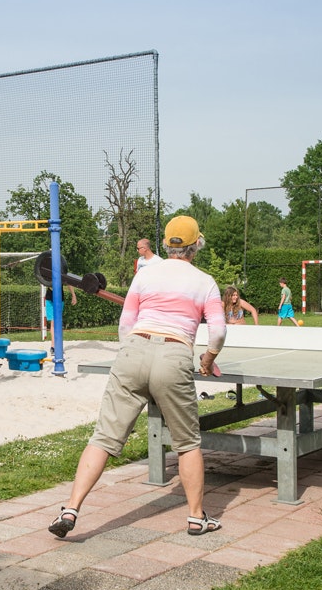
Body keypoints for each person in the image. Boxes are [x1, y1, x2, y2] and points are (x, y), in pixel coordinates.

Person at [48, 215, 227, 539]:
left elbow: (125, 324)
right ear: (195, 246)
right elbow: (217, 332)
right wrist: (208, 358)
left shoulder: (145, 275)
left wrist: (132, 356)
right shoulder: (205, 282)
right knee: (187, 444)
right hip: (174, 355)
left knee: (103, 438)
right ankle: (196, 517)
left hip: (133, 350)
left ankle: (71, 509)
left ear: (166, 244)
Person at [43, 284, 78, 353]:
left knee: (57, 322)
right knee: (53, 322)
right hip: (49, 299)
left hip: (59, 299)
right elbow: (45, 282)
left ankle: (57, 345)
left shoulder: (62, 276)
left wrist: (73, 295)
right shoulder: (48, 277)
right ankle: (53, 346)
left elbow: (69, 283)